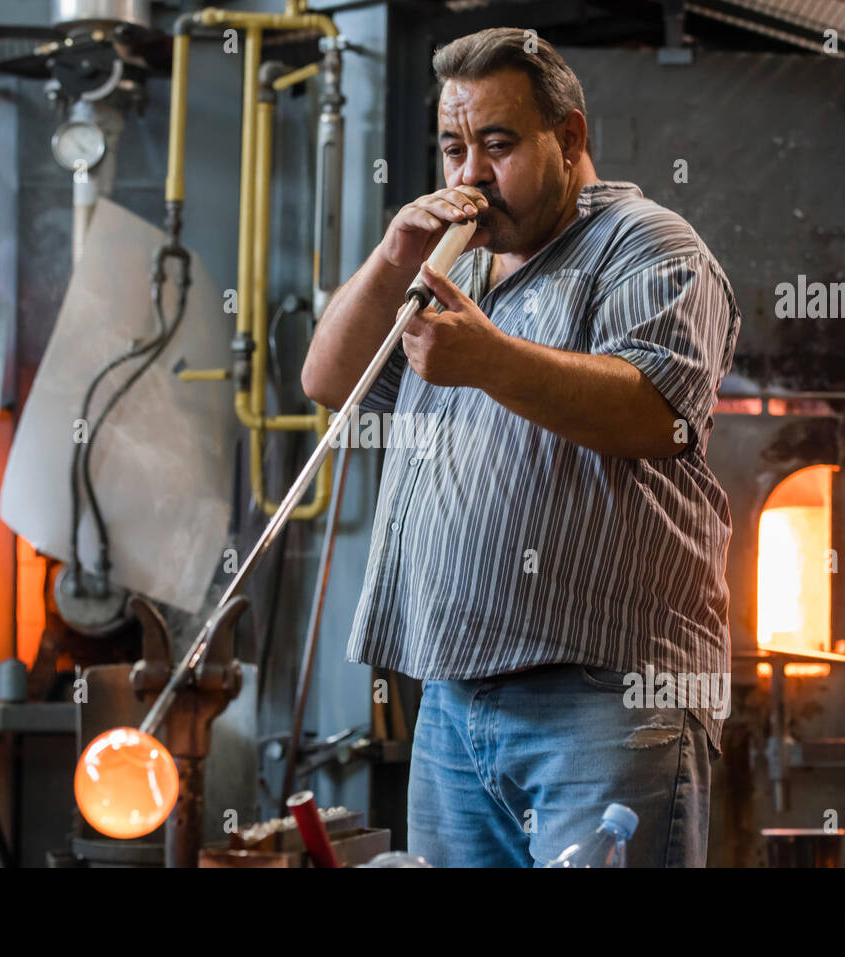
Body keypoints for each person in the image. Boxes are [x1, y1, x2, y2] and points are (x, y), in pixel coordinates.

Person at [300, 26, 740, 867]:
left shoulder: (647, 245)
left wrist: (490, 359)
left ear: (569, 138)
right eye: (453, 147)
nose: (469, 174)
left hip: (606, 700)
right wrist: (396, 254)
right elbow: (329, 378)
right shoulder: (456, 270)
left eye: (497, 145)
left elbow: (658, 413)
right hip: (454, 702)